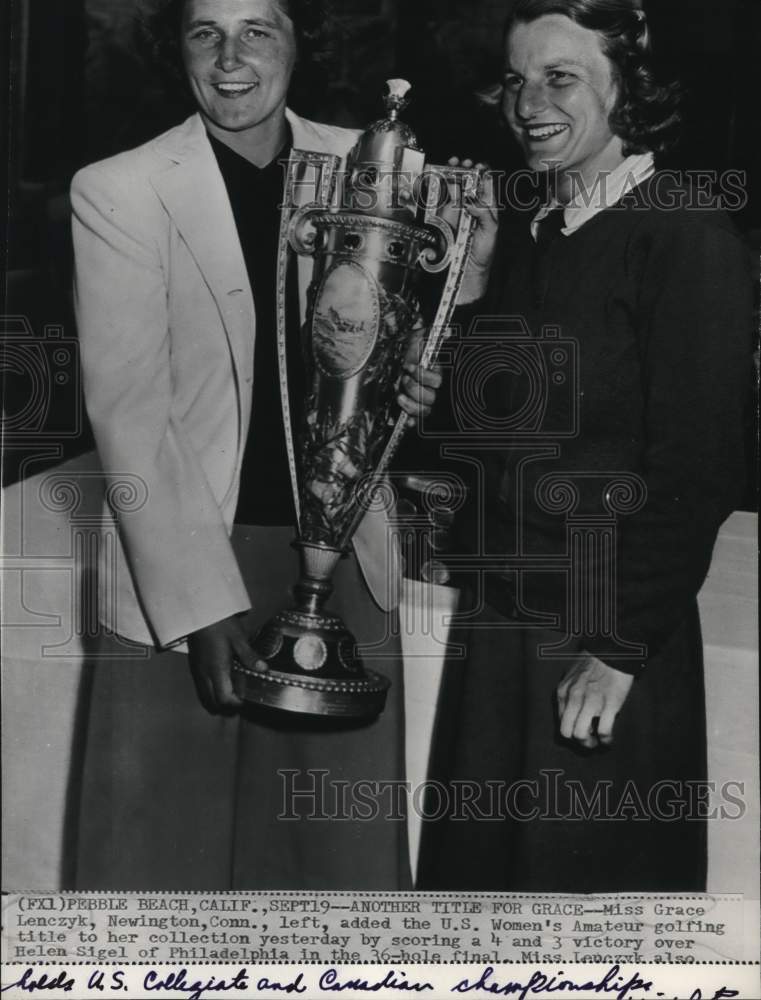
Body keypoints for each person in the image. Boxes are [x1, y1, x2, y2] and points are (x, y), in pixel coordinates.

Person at [70, 0, 440, 890]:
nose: (231, 58)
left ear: (298, 43)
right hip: (188, 564)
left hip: (342, 558)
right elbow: (129, 407)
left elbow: (387, 342)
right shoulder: (118, 188)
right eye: (206, 32)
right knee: (162, 860)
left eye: (257, 31)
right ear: (181, 51)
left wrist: (411, 382)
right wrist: (198, 605)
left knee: (333, 875)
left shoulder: (376, 167)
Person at [417, 0, 753, 891]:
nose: (528, 101)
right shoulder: (538, 227)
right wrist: (445, 379)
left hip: (600, 640)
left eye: (559, 77)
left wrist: (617, 647)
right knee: (477, 915)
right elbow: (511, 433)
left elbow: (698, 464)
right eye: (516, 79)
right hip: (501, 628)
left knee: (582, 925)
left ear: (626, 89)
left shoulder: (683, 234)